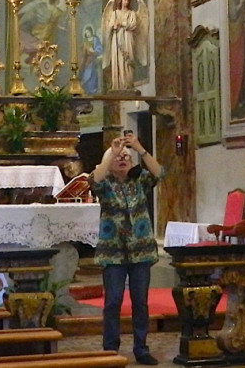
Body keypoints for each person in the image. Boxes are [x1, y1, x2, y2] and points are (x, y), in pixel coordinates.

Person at [90, 131, 164, 365]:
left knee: (140, 301)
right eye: (118, 157)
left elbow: (160, 172)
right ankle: (110, 348)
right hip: (113, 252)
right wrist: (110, 153)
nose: (122, 159)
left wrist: (139, 149)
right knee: (113, 301)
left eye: (126, 156)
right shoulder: (105, 184)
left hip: (141, 250)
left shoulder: (140, 179)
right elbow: (94, 179)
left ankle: (141, 348)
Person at [102, 0, 149, 91]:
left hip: (128, 37)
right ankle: (118, 85)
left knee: (128, 59)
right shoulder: (115, 13)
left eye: (128, 0)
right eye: (125, 0)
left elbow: (133, 25)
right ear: (121, 1)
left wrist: (122, 24)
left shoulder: (132, 13)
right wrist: (113, 26)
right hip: (116, 37)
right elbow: (110, 26)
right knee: (117, 59)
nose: (126, 2)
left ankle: (128, 84)